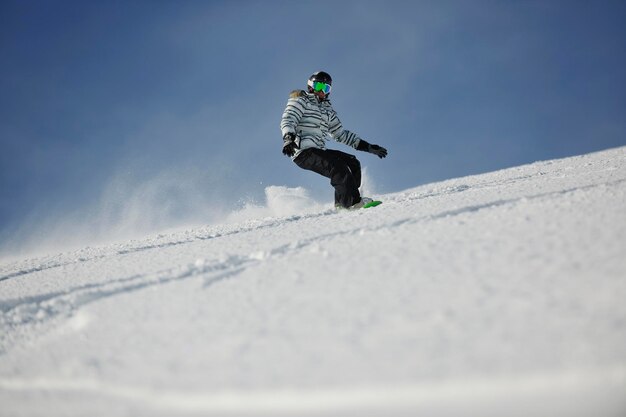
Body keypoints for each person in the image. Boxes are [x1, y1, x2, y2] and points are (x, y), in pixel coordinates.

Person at [280, 71, 388, 210]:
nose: (321, 91)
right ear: (311, 86)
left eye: (326, 88)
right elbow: (289, 118)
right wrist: (288, 138)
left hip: (318, 150)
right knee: (338, 167)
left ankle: (341, 203)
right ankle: (352, 203)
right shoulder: (301, 100)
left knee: (352, 162)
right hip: (302, 151)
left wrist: (367, 147)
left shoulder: (327, 110)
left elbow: (340, 134)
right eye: (319, 86)